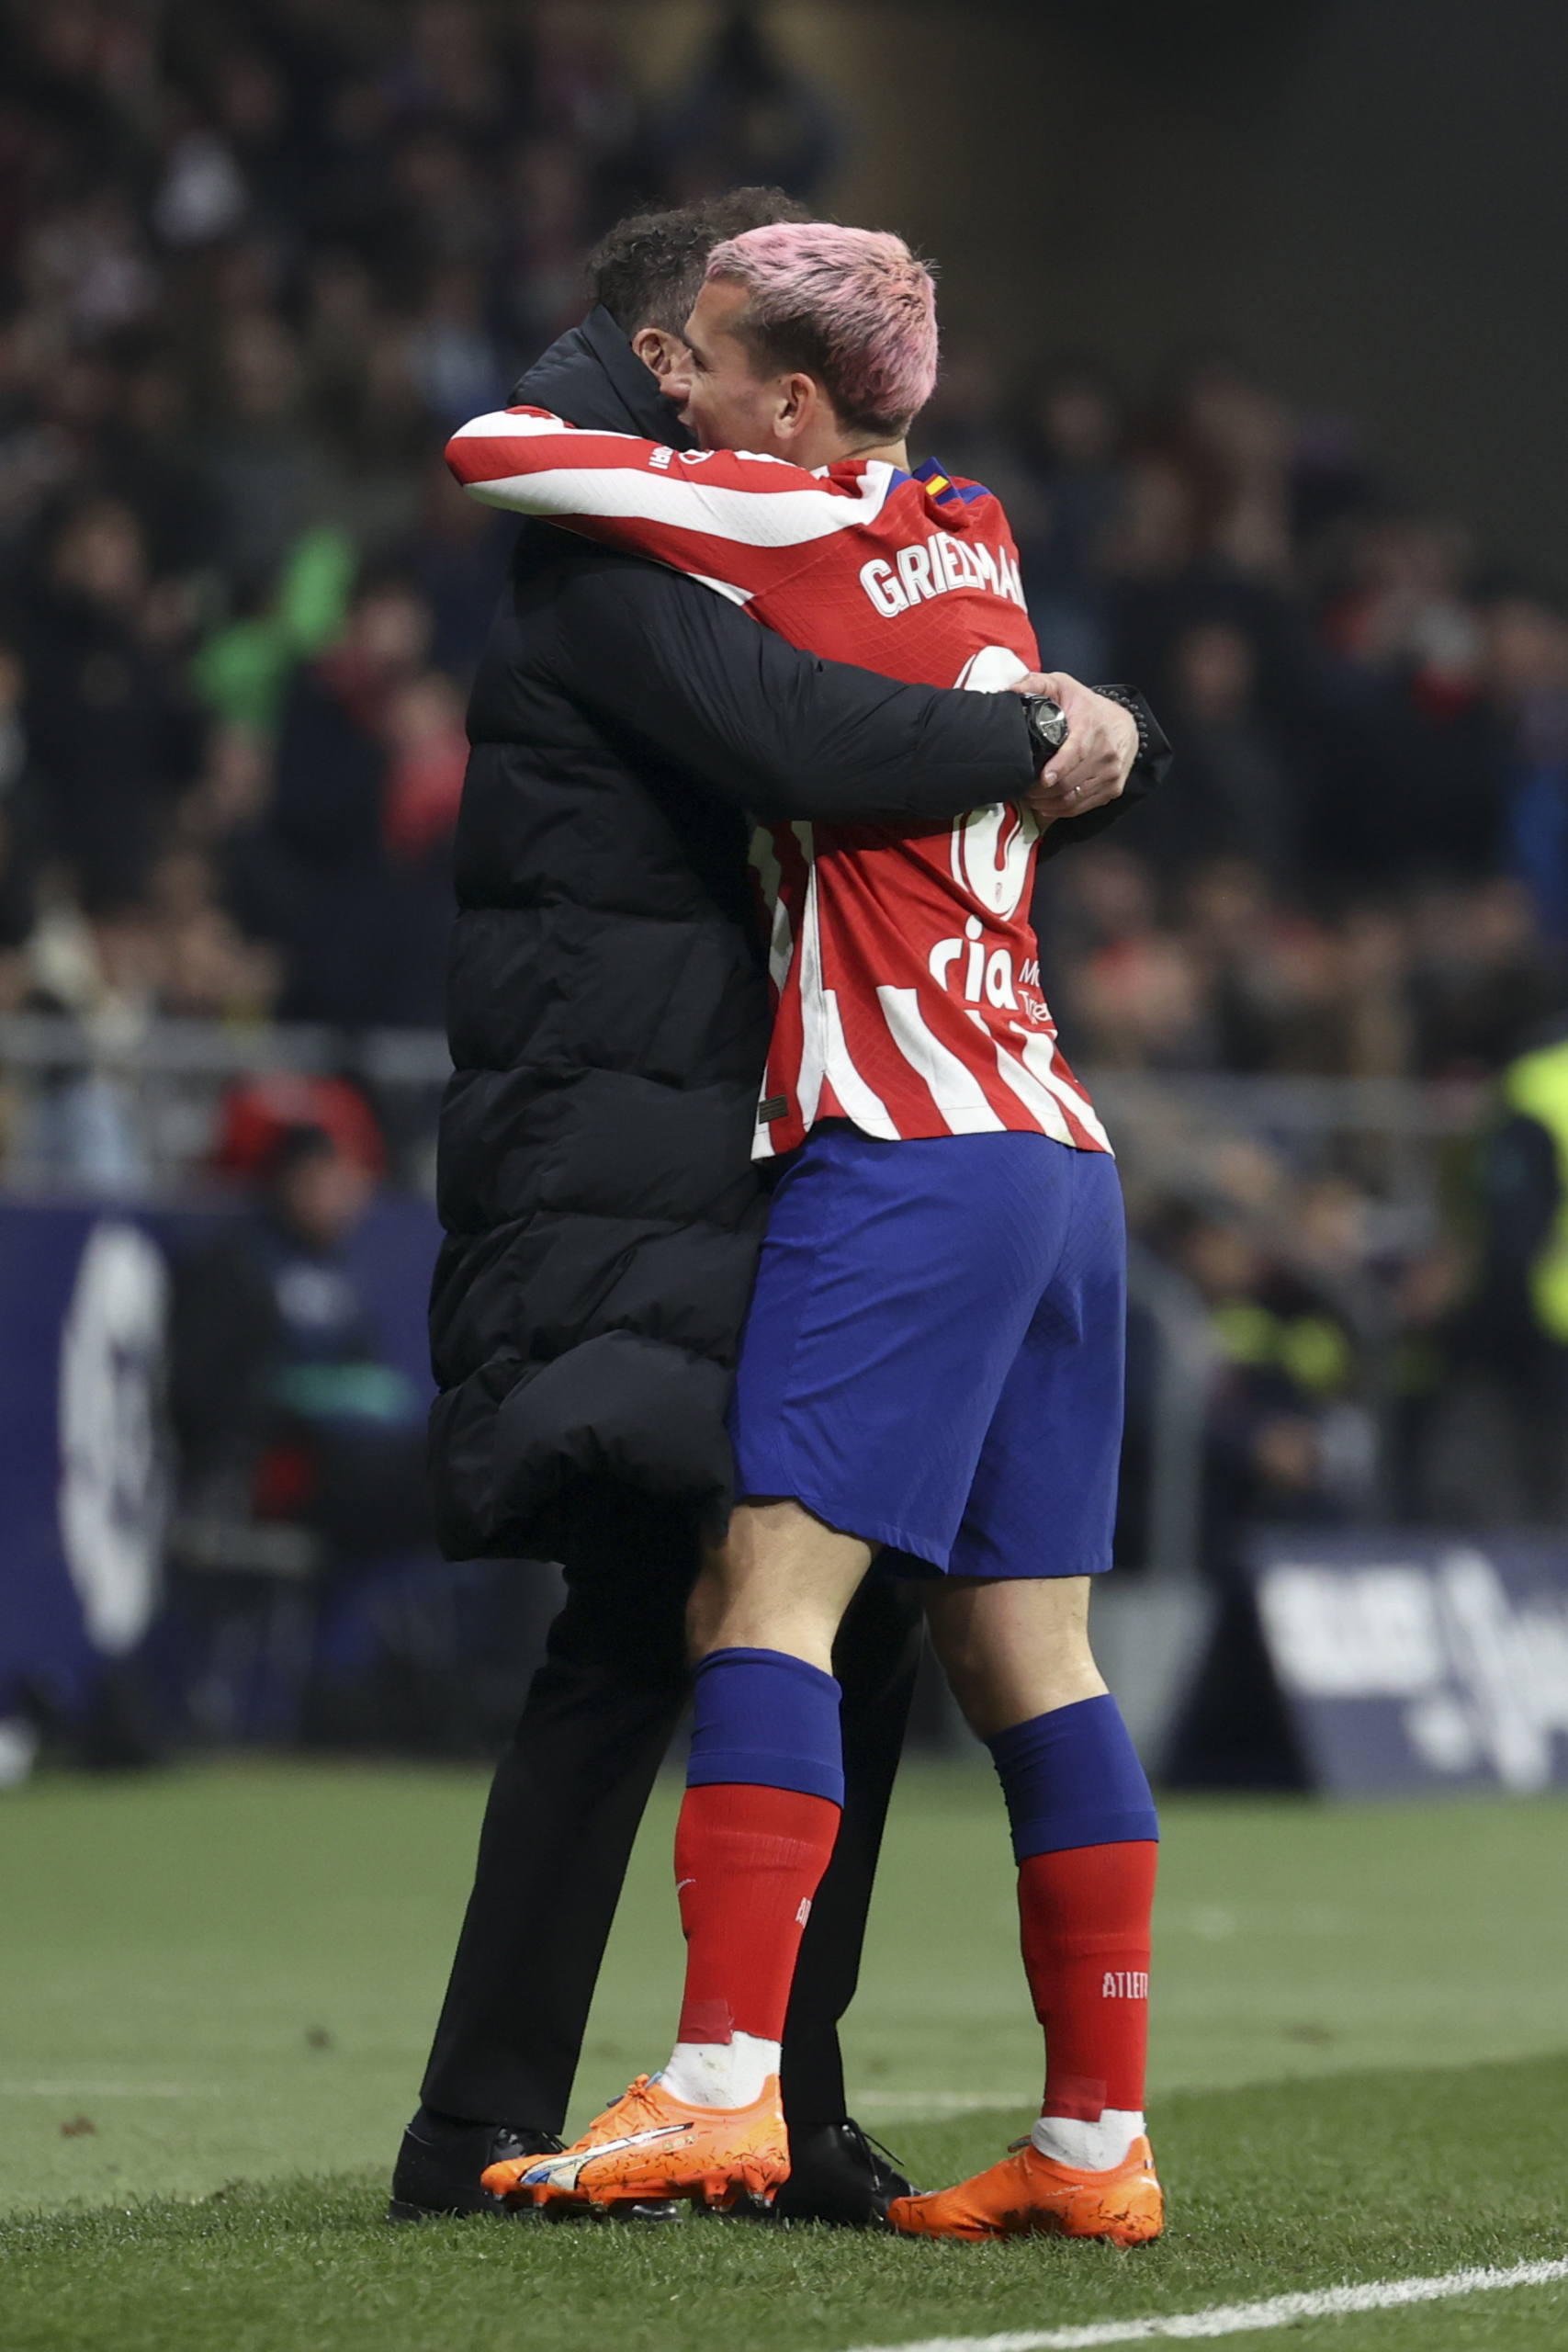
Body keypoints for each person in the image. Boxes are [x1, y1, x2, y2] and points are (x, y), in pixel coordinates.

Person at [394, 192, 1166, 2230]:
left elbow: (503, 456)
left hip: (900, 1147)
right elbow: (957, 710)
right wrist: (1073, 723)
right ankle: (1092, 2139)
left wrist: (1045, 730)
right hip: (1054, 1142)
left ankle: (730, 2085)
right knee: (1027, 1653)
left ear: (795, 403)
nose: (679, 393)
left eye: (712, 362)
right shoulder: (975, 525)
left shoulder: (770, 521)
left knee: (763, 1596)